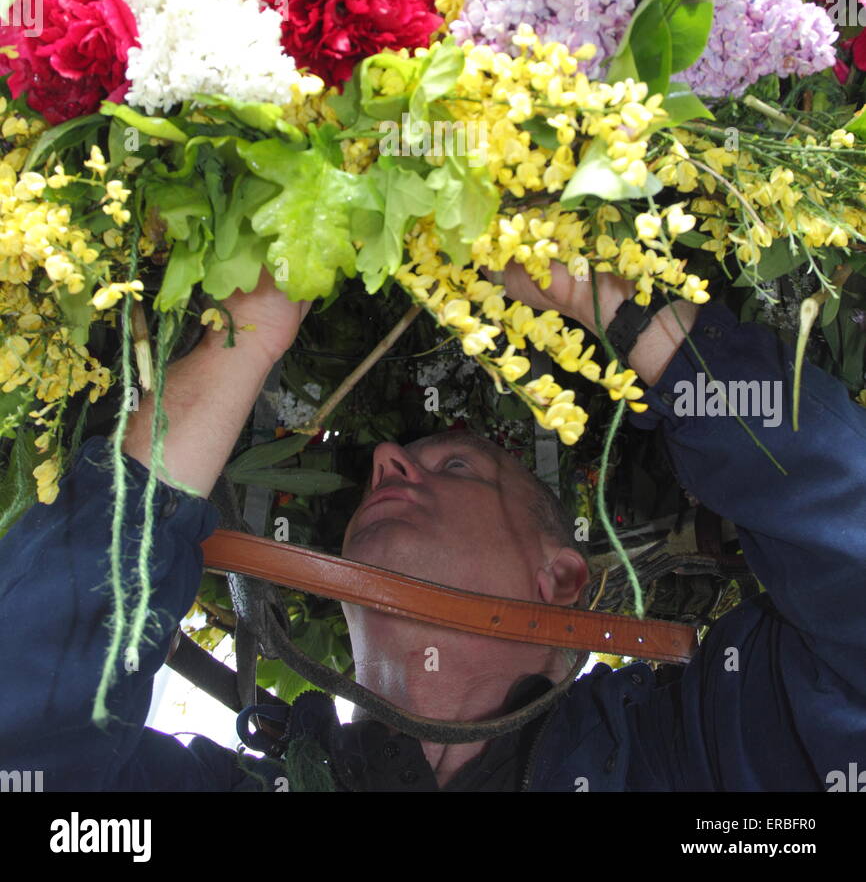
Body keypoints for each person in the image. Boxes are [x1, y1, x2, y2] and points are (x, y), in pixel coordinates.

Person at [1, 259, 864, 792]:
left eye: (455, 466)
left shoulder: (698, 764)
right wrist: (244, 341)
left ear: (562, 580)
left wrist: (632, 319)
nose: (386, 463)